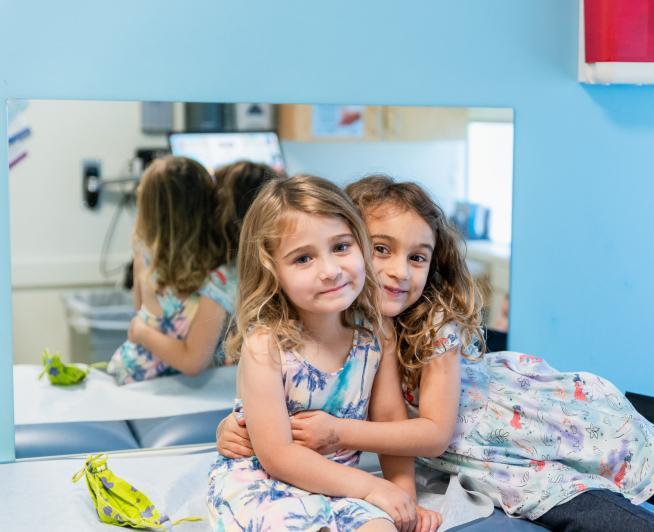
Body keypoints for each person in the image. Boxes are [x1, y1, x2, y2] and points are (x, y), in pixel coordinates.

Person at [219, 175, 654, 531]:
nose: (398, 271)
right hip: (499, 463)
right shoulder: (342, 331)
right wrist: (237, 427)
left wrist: (339, 439)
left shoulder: (425, 327)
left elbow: (425, 432)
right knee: (586, 508)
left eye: (417, 257)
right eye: (379, 249)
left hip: (539, 421)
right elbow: (299, 406)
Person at [207, 174, 433, 532]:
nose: (330, 271)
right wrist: (372, 486)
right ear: (272, 270)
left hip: (340, 485)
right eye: (303, 259)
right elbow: (278, 455)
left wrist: (403, 498)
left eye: (341, 247)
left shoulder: (376, 333)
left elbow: (391, 422)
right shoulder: (266, 346)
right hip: (267, 484)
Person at [127, 160, 279, 366]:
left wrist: (139, 331)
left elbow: (142, 318)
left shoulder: (145, 256)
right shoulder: (227, 276)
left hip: (145, 370)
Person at [107, 156, 229, 384]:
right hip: (162, 387)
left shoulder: (145, 254)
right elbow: (192, 361)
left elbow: (141, 314)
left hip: (138, 375)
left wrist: (141, 333)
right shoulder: (218, 277)